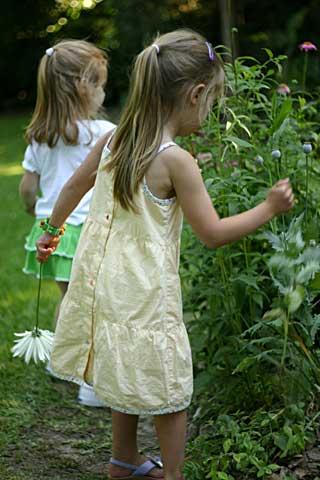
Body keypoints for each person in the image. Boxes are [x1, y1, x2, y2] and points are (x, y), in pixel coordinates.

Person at [36, 30, 294, 480]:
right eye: (211, 100)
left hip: (105, 280)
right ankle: (173, 474)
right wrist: (268, 207)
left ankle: (123, 460)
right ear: (194, 94)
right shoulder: (176, 161)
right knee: (169, 387)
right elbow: (212, 233)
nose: (211, 111)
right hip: (146, 289)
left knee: (124, 366)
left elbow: (75, 185)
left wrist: (51, 231)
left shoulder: (116, 138)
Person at [19, 39, 115, 408]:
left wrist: (36, 210)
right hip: (89, 232)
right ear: (84, 86)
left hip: (53, 232)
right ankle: (89, 383)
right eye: (101, 84)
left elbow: (28, 189)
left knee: (69, 299)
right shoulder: (103, 132)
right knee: (95, 304)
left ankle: (62, 362)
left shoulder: (40, 139)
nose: (103, 92)